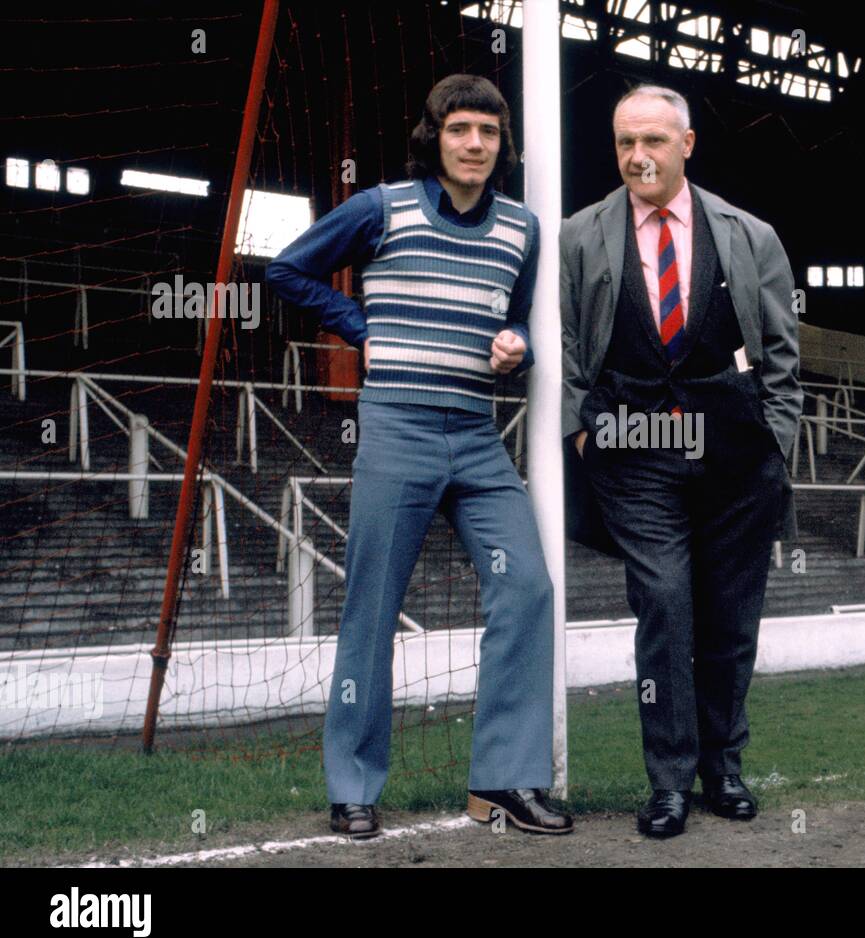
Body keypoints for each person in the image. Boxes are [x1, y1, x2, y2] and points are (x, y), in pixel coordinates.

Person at [267, 73, 571, 840]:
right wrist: (360, 325)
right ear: (434, 136)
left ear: (503, 146)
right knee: (372, 606)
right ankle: (353, 783)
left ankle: (502, 781)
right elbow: (285, 269)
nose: (475, 144)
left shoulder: (522, 229)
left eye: (489, 133)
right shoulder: (381, 207)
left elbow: (522, 321)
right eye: (461, 128)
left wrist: (519, 345)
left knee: (529, 587)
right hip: (397, 426)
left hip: (477, 434)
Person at [559, 84, 801, 838]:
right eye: (626, 142)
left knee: (730, 619)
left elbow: (784, 354)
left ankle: (723, 767)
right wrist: (580, 429)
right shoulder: (579, 234)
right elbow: (566, 344)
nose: (638, 156)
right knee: (664, 607)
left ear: (687, 145)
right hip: (634, 451)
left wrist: (775, 439)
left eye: (654, 142)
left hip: (733, 452)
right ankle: (667, 780)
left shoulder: (751, 234)